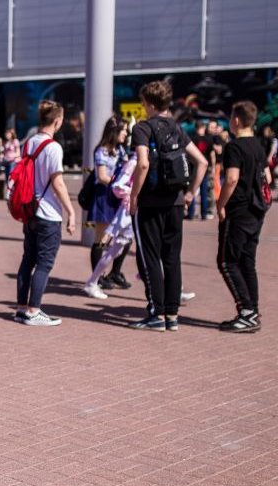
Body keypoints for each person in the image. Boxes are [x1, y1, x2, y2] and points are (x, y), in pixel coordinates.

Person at [128, 80, 208, 332]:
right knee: (172, 258)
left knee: (150, 256)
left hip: (151, 202)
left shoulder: (143, 128)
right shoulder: (177, 128)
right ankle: (172, 315)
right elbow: (202, 162)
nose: (143, 108)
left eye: (143, 104)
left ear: (150, 104)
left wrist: (133, 196)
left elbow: (142, 164)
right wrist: (191, 193)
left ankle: (156, 313)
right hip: (175, 201)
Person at [14, 100, 77, 326]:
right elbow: (57, 182)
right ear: (57, 121)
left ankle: (21, 308)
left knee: (27, 260)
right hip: (48, 213)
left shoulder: (29, 143)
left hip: (30, 209)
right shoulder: (53, 147)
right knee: (44, 263)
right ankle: (33, 310)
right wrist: (71, 211)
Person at [216, 101, 271, 333]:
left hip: (238, 210)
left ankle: (246, 311)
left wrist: (221, 204)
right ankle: (252, 310)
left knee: (227, 261)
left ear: (236, 120)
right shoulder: (259, 146)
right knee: (247, 261)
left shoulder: (234, 147)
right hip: (257, 210)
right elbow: (267, 176)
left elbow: (231, 179)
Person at [85, 117, 130, 294]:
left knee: (125, 237)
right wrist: (119, 182)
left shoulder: (121, 150)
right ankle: (98, 277)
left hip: (117, 197)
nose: (126, 134)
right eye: (123, 130)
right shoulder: (102, 151)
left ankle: (114, 272)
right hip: (104, 196)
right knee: (101, 239)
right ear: (114, 131)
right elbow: (102, 176)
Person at [85, 154, 137, 299]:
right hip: (128, 213)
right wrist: (133, 194)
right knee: (112, 249)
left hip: (141, 211)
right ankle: (92, 281)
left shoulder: (149, 157)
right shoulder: (133, 162)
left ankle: (172, 288)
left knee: (153, 249)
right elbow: (117, 186)